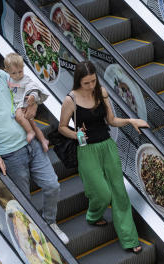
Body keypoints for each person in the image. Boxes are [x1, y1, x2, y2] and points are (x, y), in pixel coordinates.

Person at [0, 38, 67, 244]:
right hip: (9, 153)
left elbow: (28, 91)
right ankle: (33, 238)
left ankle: (49, 224)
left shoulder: (2, 75)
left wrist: (34, 102)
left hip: (31, 143)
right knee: (23, 201)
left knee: (52, 185)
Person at [57, 61, 148, 253]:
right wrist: (76, 135)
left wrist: (131, 121)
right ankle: (93, 215)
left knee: (119, 193)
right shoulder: (70, 100)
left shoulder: (102, 92)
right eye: (86, 83)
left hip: (107, 146)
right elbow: (62, 127)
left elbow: (111, 120)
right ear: (78, 82)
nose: (91, 86)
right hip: (87, 150)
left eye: (93, 81)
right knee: (101, 192)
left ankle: (130, 239)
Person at [3, 53, 49, 151]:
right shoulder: (7, 79)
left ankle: (30, 132)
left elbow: (33, 88)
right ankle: (43, 140)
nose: (18, 75)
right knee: (33, 124)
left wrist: (32, 97)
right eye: (14, 73)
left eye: (20, 71)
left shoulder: (25, 79)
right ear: (7, 71)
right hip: (16, 104)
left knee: (19, 116)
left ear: (23, 68)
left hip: (24, 104)